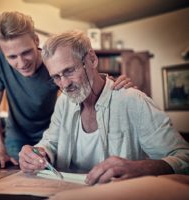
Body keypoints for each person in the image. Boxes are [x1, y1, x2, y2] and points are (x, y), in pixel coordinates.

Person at [18, 30, 189, 185]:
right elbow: (51, 142)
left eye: (69, 70)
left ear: (92, 59)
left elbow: (184, 158)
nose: (64, 84)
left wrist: (140, 168)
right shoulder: (64, 102)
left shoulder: (133, 101)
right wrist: (38, 153)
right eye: (56, 77)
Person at [0, 11, 134, 168]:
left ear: (36, 41)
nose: (21, 63)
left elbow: (83, 83)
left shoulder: (53, 63)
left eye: (26, 52)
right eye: (12, 57)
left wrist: (111, 86)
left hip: (51, 133)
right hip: (17, 136)